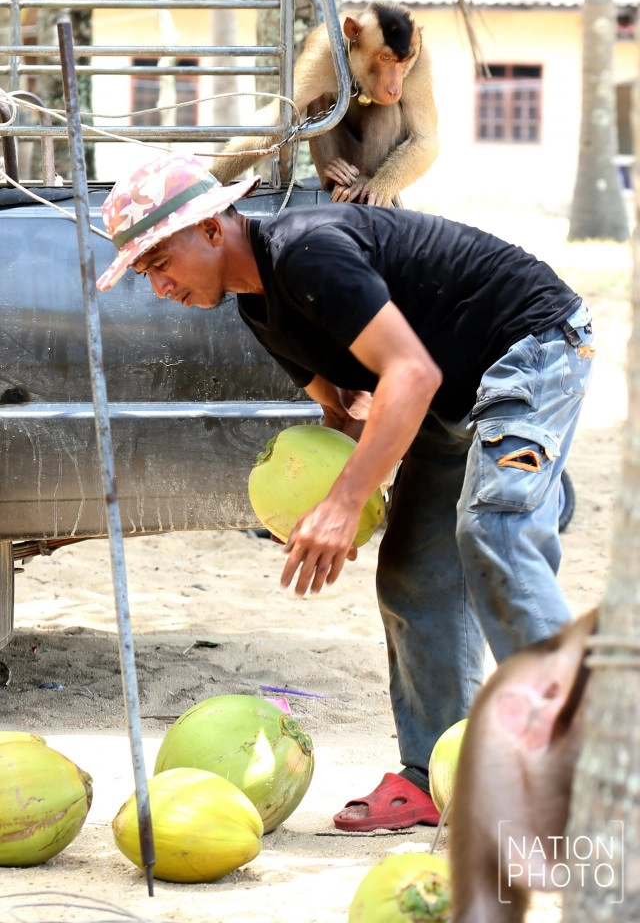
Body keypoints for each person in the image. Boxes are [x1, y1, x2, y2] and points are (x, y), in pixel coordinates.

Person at [97, 150, 595, 832]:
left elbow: (410, 375)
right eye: (145, 274)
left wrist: (343, 505)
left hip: (531, 347)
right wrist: (325, 502)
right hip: (448, 394)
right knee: (412, 570)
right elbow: (345, 413)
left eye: (161, 262)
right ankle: (436, 775)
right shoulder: (259, 310)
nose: (160, 287)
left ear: (212, 228)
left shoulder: (307, 253)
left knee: (495, 530)